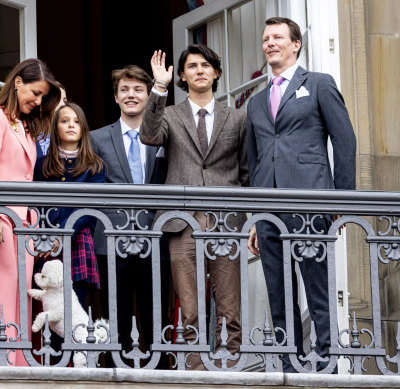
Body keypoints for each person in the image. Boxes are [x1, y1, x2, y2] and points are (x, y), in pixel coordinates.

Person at [246, 17, 356, 372]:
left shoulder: (320, 84)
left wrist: (342, 199)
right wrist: (254, 217)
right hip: (269, 208)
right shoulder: (256, 101)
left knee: (317, 287)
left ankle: (326, 364)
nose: (270, 43)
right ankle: (288, 365)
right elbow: (255, 159)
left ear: (296, 45)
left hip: (310, 200)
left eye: (277, 37)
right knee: (278, 292)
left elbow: (345, 141)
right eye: (265, 39)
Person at [140, 45, 248, 370]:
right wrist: (159, 87)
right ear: (183, 76)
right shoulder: (171, 114)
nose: (199, 70)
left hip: (225, 221)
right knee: (189, 307)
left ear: (216, 73)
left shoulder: (238, 117)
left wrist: (249, 218)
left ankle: (227, 370)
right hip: (181, 222)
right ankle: (196, 372)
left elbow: (245, 173)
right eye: (191, 66)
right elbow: (147, 134)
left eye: (205, 65)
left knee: (229, 307)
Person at [0, 58, 60, 366]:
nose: (38, 100)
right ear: (17, 82)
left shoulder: (25, 125)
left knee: (19, 295)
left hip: (23, 225)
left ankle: (17, 365)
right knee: (1, 295)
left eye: (43, 96)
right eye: (35, 92)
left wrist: (57, 105)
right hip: (0, 220)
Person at [90, 65, 168, 359]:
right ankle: (115, 374)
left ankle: (160, 373)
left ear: (148, 96)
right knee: (115, 316)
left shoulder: (163, 136)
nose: (131, 95)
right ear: (115, 97)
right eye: (124, 89)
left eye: (137, 90)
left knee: (155, 317)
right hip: (110, 239)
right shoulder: (97, 138)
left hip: (155, 238)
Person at [34, 102, 106, 308]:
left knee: (76, 310)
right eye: (65, 121)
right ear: (55, 128)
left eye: (76, 121)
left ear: (83, 128)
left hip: (78, 242)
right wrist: (46, 237)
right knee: (50, 309)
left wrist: (63, 234)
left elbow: (90, 207)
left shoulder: (95, 165)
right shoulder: (42, 164)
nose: (71, 125)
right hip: (47, 244)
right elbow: (36, 204)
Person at [37, 82, 67, 156]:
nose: (63, 104)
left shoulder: (68, 134)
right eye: (58, 99)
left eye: (65, 101)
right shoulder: (28, 134)